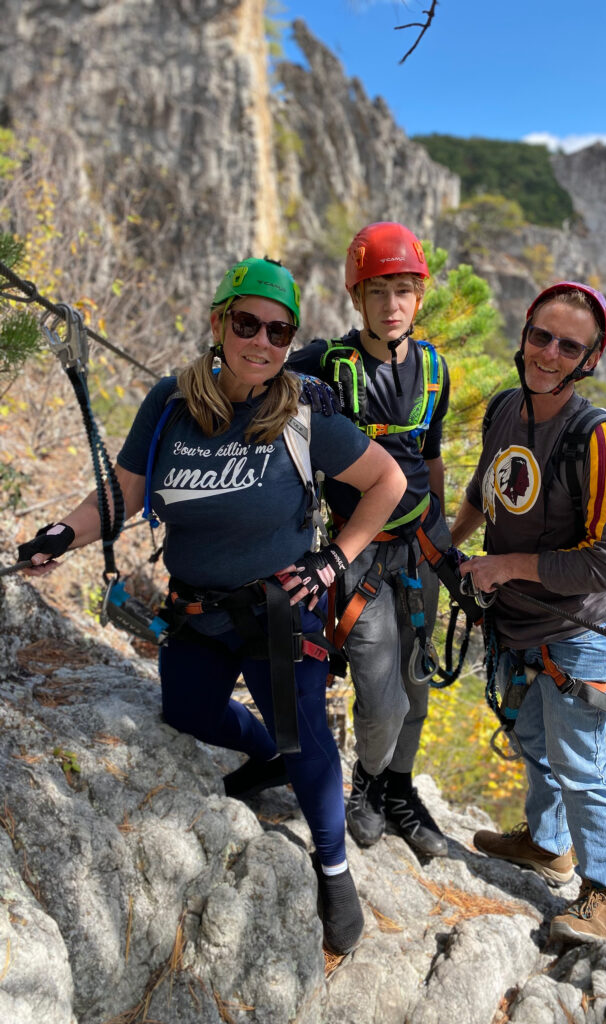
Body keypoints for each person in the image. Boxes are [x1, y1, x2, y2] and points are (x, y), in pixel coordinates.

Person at [17, 256, 407, 956]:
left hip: (280, 609)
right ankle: (264, 757)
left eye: (279, 331)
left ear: (291, 341)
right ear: (218, 323)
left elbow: (387, 480)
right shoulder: (171, 403)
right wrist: (63, 534)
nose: (262, 341)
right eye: (247, 322)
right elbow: (125, 493)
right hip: (197, 606)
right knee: (187, 711)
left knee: (307, 738)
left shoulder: (303, 416)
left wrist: (334, 559)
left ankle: (334, 867)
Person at [451, 282, 606, 944]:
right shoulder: (506, 408)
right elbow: (487, 487)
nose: (549, 353)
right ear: (524, 334)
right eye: (541, 336)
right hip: (519, 626)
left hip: (578, 637)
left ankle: (605, 893)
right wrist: (448, 547)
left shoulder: (596, 439)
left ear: (589, 359)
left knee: (580, 762)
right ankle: (548, 843)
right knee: (534, 741)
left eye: (569, 345)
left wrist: (508, 568)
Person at [287, 222, 453, 858]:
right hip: (358, 555)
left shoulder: (435, 369)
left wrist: (449, 542)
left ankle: (395, 791)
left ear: (419, 297)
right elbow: (249, 375)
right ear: (357, 297)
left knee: (417, 686)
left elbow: (431, 460)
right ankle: (367, 783)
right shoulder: (327, 364)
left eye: (404, 291)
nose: (392, 306)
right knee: (380, 699)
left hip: (423, 547)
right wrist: (299, 389)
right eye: (379, 292)